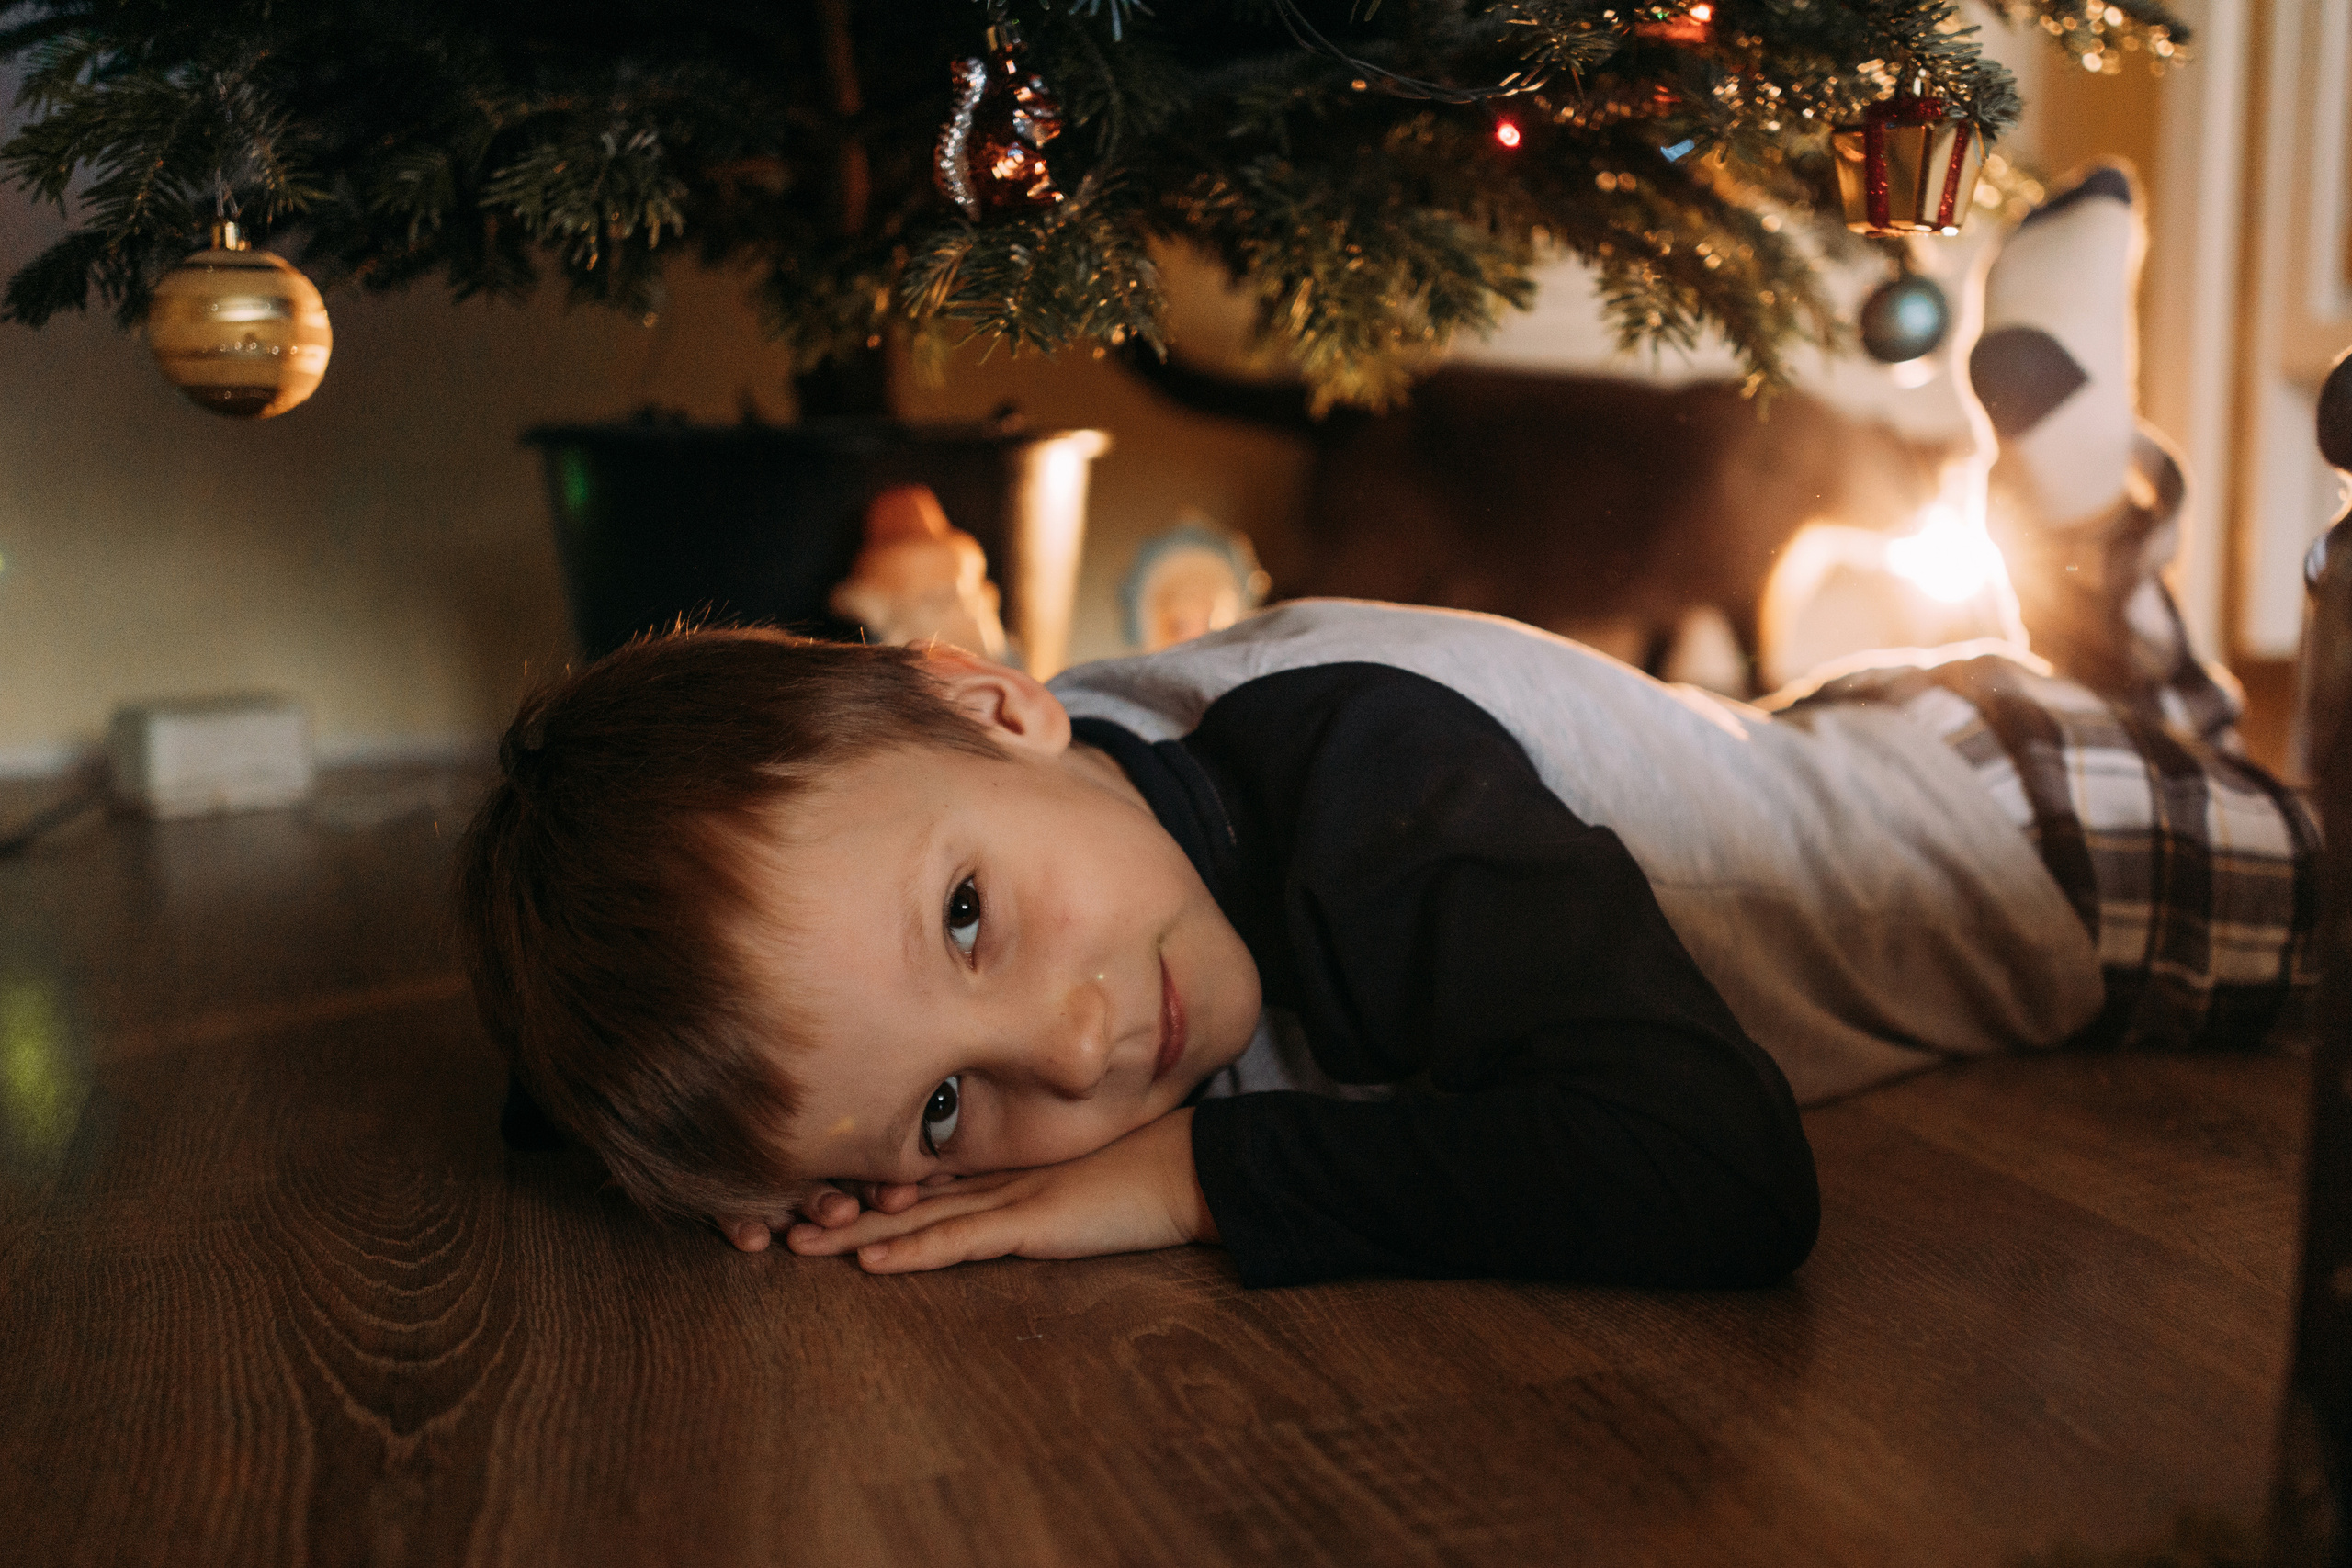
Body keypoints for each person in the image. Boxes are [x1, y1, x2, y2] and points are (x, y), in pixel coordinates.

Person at [457, 164, 2317, 1288]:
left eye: (968, 920)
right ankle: (2072, 488)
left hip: (2047, 867)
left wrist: (1197, 1177)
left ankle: (2091, 513)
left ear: (992, 700)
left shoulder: (1362, 801)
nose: (1083, 1040)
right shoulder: (1036, 765)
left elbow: (1717, 1172)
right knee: (2160, 716)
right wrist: (756, 1150)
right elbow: (725, 999)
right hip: (1884, 730)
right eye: (949, 1107)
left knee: (2290, 864)